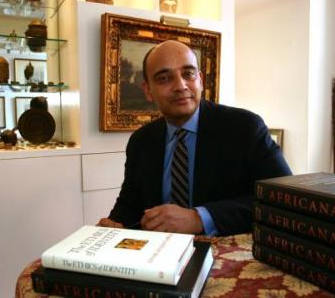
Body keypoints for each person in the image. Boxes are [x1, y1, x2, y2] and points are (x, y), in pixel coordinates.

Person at [97, 40, 291, 236]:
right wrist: (115, 225)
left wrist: (200, 218)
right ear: (148, 90)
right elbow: (130, 203)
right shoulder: (141, 141)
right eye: (164, 78)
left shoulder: (245, 127)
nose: (180, 86)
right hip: (160, 257)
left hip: (225, 254)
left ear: (200, 79)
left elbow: (284, 200)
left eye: (188, 74)